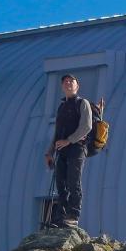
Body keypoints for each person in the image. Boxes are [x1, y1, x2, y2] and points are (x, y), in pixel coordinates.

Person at [44, 74, 92, 228]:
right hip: (61, 150)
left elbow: (87, 126)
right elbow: (57, 133)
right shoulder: (62, 107)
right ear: (62, 87)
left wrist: (68, 141)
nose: (68, 83)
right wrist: (49, 152)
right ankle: (61, 216)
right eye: (65, 81)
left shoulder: (82, 103)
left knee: (73, 181)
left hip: (77, 148)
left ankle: (73, 216)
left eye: (72, 81)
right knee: (60, 183)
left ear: (77, 86)